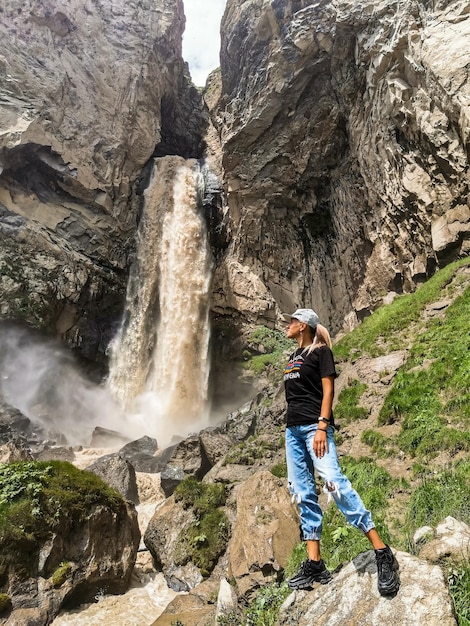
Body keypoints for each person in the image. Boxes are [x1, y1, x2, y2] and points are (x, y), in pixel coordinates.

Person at [283, 308, 400, 596]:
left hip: (315, 428)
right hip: (293, 432)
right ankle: (315, 564)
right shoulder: (292, 358)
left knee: (334, 484)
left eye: (293, 320)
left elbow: (328, 391)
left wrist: (322, 426)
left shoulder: (321, 352)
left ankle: (382, 552)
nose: (288, 324)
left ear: (304, 326)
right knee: (302, 493)